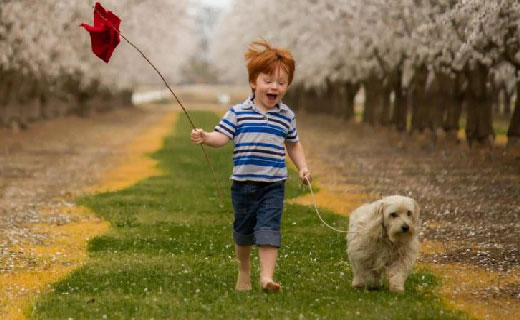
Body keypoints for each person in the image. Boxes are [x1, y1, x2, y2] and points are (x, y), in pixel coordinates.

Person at [191, 40, 311, 292]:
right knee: (244, 231)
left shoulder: (286, 115)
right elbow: (221, 137)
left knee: (269, 228)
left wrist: (302, 167)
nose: (274, 87)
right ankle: (244, 272)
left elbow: (293, 144)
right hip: (243, 184)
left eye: (281, 83)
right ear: (253, 82)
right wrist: (205, 136)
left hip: (274, 184)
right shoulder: (238, 113)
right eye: (268, 81)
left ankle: (266, 277)